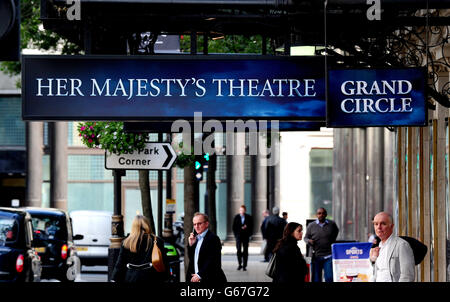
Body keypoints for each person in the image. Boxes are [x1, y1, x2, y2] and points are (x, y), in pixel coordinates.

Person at [111, 215, 169, 283]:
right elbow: (164, 262)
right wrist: (166, 277)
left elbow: (120, 263)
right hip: (151, 277)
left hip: (131, 278)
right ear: (147, 225)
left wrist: (115, 278)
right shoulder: (157, 241)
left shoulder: (126, 242)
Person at [369, 212, 415, 282]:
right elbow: (377, 274)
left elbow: (407, 276)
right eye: (376, 224)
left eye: (383, 224)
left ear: (392, 226)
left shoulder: (401, 245)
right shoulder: (379, 247)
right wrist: (373, 260)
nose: (379, 227)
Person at [187, 212, 227, 284]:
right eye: (194, 224)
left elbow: (212, 260)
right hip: (195, 278)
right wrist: (191, 245)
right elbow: (192, 259)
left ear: (206, 224)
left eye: (199, 223)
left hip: (210, 279)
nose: (196, 226)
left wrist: (199, 275)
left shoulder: (213, 239)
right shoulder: (195, 238)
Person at [304, 207, 339, 282]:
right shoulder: (311, 225)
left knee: (329, 278)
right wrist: (309, 241)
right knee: (316, 279)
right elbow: (305, 238)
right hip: (316, 256)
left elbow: (336, 231)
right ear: (316, 215)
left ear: (326, 214)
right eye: (319, 213)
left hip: (328, 255)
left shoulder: (332, 224)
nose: (321, 215)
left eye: (323, 213)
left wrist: (331, 240)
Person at [232, 205, 253, 271]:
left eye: (242, 210)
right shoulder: (236, 217)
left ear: (245, 210)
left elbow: (252, 226)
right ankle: (239, 264)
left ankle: (244, 265)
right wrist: (236, 235)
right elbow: (234, 227)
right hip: (238, 236)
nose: (241, 211)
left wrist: (249, 233)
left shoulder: (248, 217)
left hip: (246, 236)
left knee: (245, 251)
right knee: (238, 250)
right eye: (240, 210)